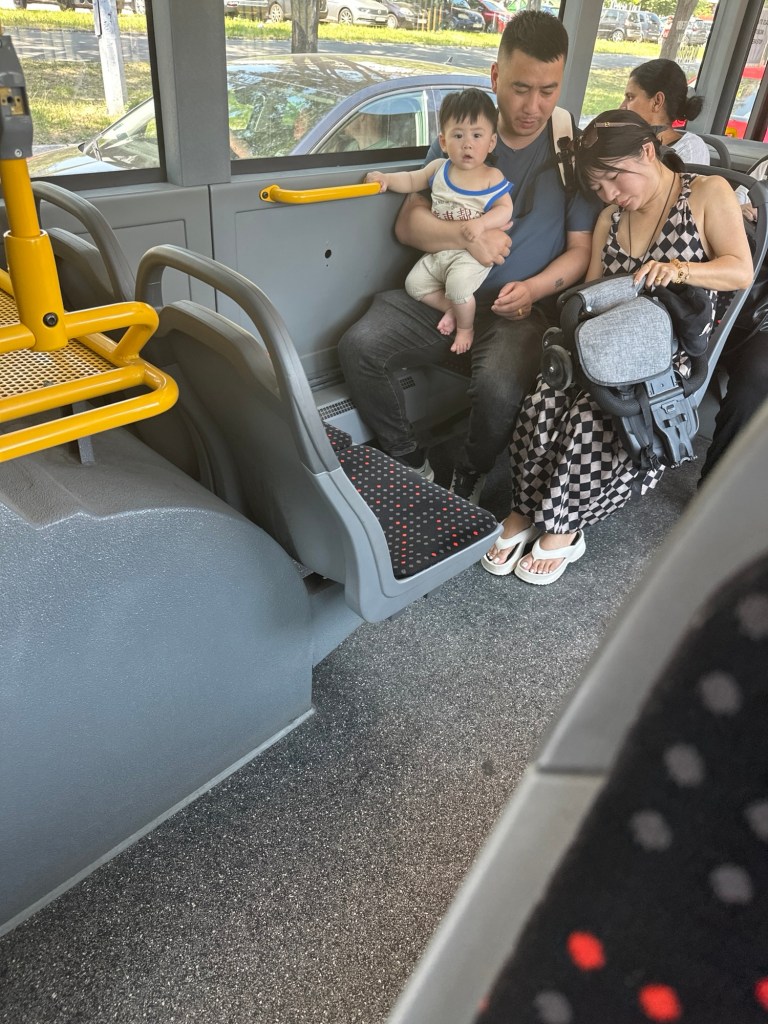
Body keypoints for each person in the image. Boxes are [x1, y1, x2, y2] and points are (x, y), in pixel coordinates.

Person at [482, 109, 753, 583]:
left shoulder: (707, 194)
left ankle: (565, 524)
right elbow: (591, 290)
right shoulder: (611, 217)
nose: (608, 194)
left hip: (666, 350)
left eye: (613, 177)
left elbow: (740, 270)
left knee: (593, 413)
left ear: (647, 151)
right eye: (598, 185)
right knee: (546, 398)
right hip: (606, 339)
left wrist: (680, 269)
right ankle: (525, 508)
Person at [337, 11, 601, 497]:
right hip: (441, 289)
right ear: (496, 76)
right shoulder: (466, 134)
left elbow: (581, 250)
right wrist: (467, 237)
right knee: (359, 347)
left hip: (515, 310)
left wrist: (534, 290)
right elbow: (409, 224)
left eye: (548, 90)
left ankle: (470, 469)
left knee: (499, 388)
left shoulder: (570, 149)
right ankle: (409, 458)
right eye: (521, 88)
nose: (533, 106)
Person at [364, 90, 514, 355]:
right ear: (443, 141)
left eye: (476, 136)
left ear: (491, 142)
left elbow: (505, 209)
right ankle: (452, 308)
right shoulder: (439, 169)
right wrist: (386, 179)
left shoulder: (492, 177)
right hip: (440, 250)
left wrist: (482, 225)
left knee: (458, 287)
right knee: (414, 285)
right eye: (458, 136)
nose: (467, 144)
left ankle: (466, 328)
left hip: (470, 256)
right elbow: (411, 179)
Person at [620, 58, 711, 165]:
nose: (622, 107)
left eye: (630, 97)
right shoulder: (627, 141)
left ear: (657, 102)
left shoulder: (690, 150)